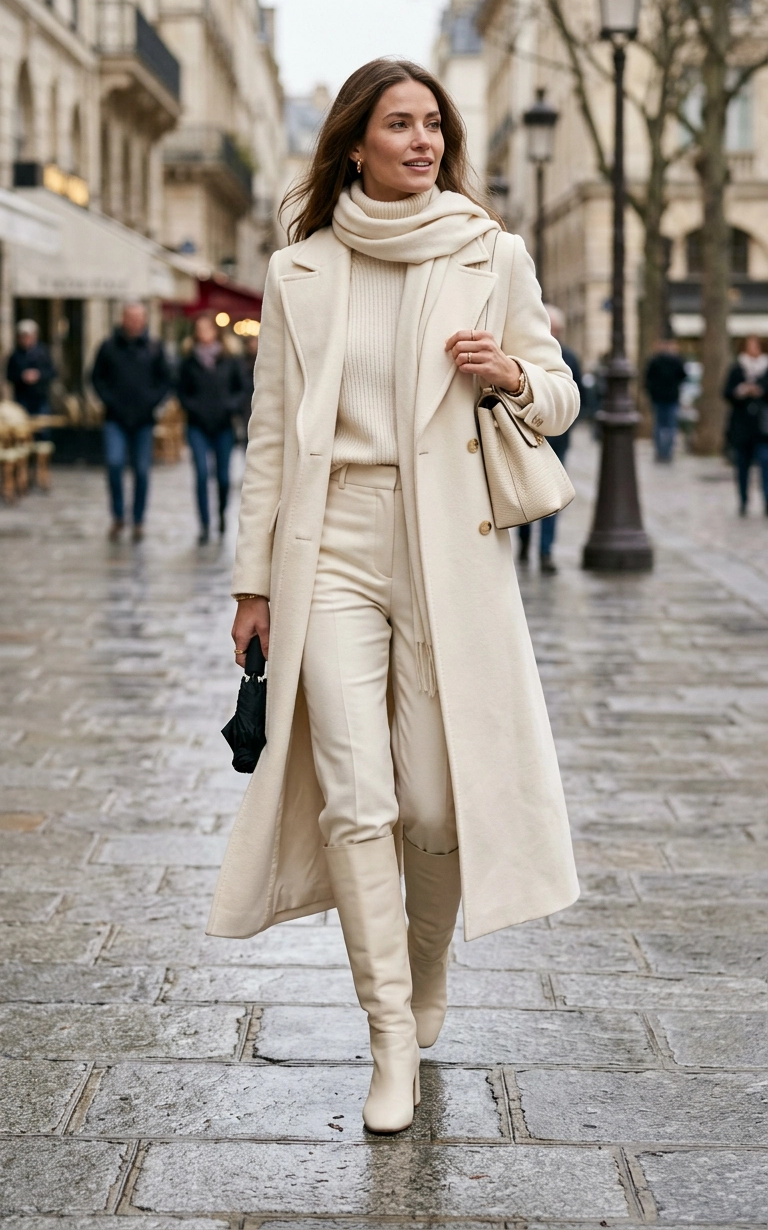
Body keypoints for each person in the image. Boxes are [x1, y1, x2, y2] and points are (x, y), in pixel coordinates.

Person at [207, 58, 580, 1135]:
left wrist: (510, 374)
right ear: (355, 143)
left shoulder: (488, 252)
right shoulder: (301, 270)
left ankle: (425, 975)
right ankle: (386, 1040)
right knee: (355, 797)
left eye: (432, 124)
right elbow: (269, 437)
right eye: (398, 124)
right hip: (328, 546)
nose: (421, 139)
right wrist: (250, 583)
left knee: (433, 801)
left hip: (445, 548)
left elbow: (558, 395)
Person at [91, 302, 171, 541]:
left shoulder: (154, 347)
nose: (134, 322)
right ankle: (117, 515)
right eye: (130, 317)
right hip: (115, 418)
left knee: (142, 471)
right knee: (114, 464)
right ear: (123, 319)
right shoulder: (108, 346)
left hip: (144, 419)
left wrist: (152, 402)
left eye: (138, 318)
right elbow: (96, 377)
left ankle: (138, 520)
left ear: (144, 320)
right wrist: (109, 400)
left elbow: (166, 380)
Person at [517, 304, 582, 573]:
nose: (553, 335)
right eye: (550, 329)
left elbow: (578, 399)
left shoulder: (570, 358)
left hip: (557, 442)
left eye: (557, 330)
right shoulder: (523, 355)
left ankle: (545, 551)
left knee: (552, 500)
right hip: (523, 439)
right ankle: (523, 542)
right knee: (523, 495)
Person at [177, 315, 251, 544]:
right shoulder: (189, 360)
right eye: (200, 328)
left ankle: (220, 515)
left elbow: (243, 388)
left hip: (223, 426)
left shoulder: (230, 360)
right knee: (200, 474)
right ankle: (204, 524)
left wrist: (231, 406)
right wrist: (192, 407)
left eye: (207, 328)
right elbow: (180, 389)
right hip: (197, 425)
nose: (204, 332)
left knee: (223, 478)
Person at [723, 334, 768, 516]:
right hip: (741, 426)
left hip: (764, 427)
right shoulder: (736, 369)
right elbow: (726, 393)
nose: (753, 348)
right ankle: (743, 500)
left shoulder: (766, 369)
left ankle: (767, 501)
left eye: (756, 345)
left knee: (766, 463)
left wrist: (760, 391)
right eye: (750, 345)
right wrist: (740, 391)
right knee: (742, 466)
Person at [644, 338, 687, 463]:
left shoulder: (657, 360)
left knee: (661, 425)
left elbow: (648, 379)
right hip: (668, 398)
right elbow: (683, 376)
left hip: (662, 398)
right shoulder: (673, 360)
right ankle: (666, 452)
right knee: (668, 426)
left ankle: (662, 452)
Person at [6, 320, 56, 422]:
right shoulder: (15, 356)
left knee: (42, 429)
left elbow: (52, 372)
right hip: (22, 399)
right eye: (23, 336)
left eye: (28, 336)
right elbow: (9, 375)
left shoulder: (43, 353)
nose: (26, 339)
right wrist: (22, 376)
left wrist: (38, 375)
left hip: (40, 398)